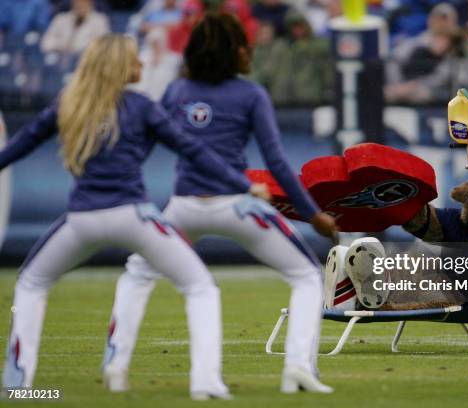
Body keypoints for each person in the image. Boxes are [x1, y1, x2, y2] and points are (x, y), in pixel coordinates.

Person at [0, 34, 267, 400]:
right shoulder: (140, 105)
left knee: (30, 284)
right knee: (200, 287)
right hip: (133, 215)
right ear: (120, 65)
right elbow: (191, 149)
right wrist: (242, 184)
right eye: (135, 60)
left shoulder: (69, 103)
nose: (141, 65)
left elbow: (23, 142)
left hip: (81, 220)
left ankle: (18, 387)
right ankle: (204, 381)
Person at [107, 13, 338, 394]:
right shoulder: (250, 94)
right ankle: (298, 367)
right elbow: (277, 163)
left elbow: (143, 148)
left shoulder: (176, 92)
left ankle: (115, 363)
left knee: (137, 272)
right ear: (235, 52)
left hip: (182, 207)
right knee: (306, 276)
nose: (250, 51)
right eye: (245, 46)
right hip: (237, 205)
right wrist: (312, 214)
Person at [41, 0, 110, 54]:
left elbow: (103, 47)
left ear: (90, 2)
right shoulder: (61, 18)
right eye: (77, 2)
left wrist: (75, 49)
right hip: (60, 61)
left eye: (83, 2)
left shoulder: (100, 21)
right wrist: (61, 47)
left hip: (87, 61)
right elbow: (45, 43)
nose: (79, 5)